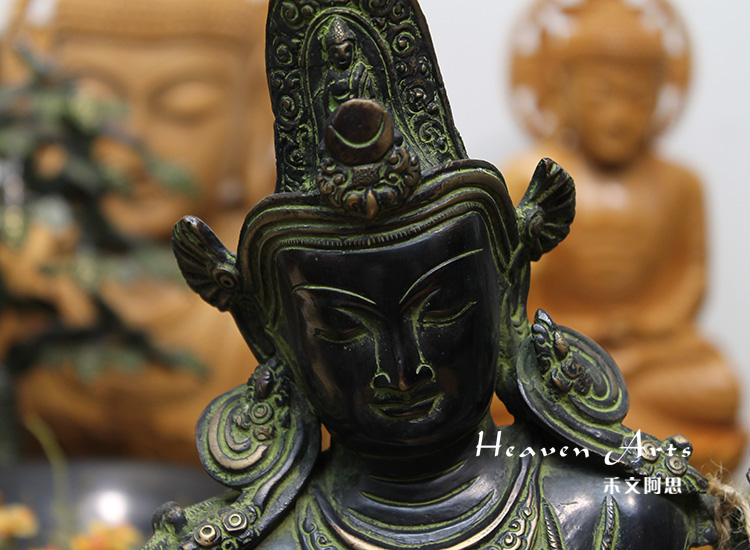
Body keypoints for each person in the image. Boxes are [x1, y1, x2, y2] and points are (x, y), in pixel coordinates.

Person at [145, 2, 741, 548]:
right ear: (274, 338)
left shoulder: (619, 513)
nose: (403, 370)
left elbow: (686, 284)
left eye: (441, 310)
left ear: (505, 294)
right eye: (345, 329)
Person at [13, 0, 276, 464]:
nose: (134, 148)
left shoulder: (275, 294)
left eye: (185, 108)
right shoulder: (28, 279)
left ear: (254, 112)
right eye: (97, 107)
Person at [500, 0, 745, 471]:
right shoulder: (529, 175)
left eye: (637, 98)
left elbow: (691, 277)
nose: (619, 114)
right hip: (557, 346)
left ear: (660, 96)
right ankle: (634, 437)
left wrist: (639, 330)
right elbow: (509, 285)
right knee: (499, 385)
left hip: (648, 350)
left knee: (720, 386)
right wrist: (561, 331)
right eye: (601, 95)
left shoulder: (681, 184)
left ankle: (593, 428)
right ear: (559, 89)